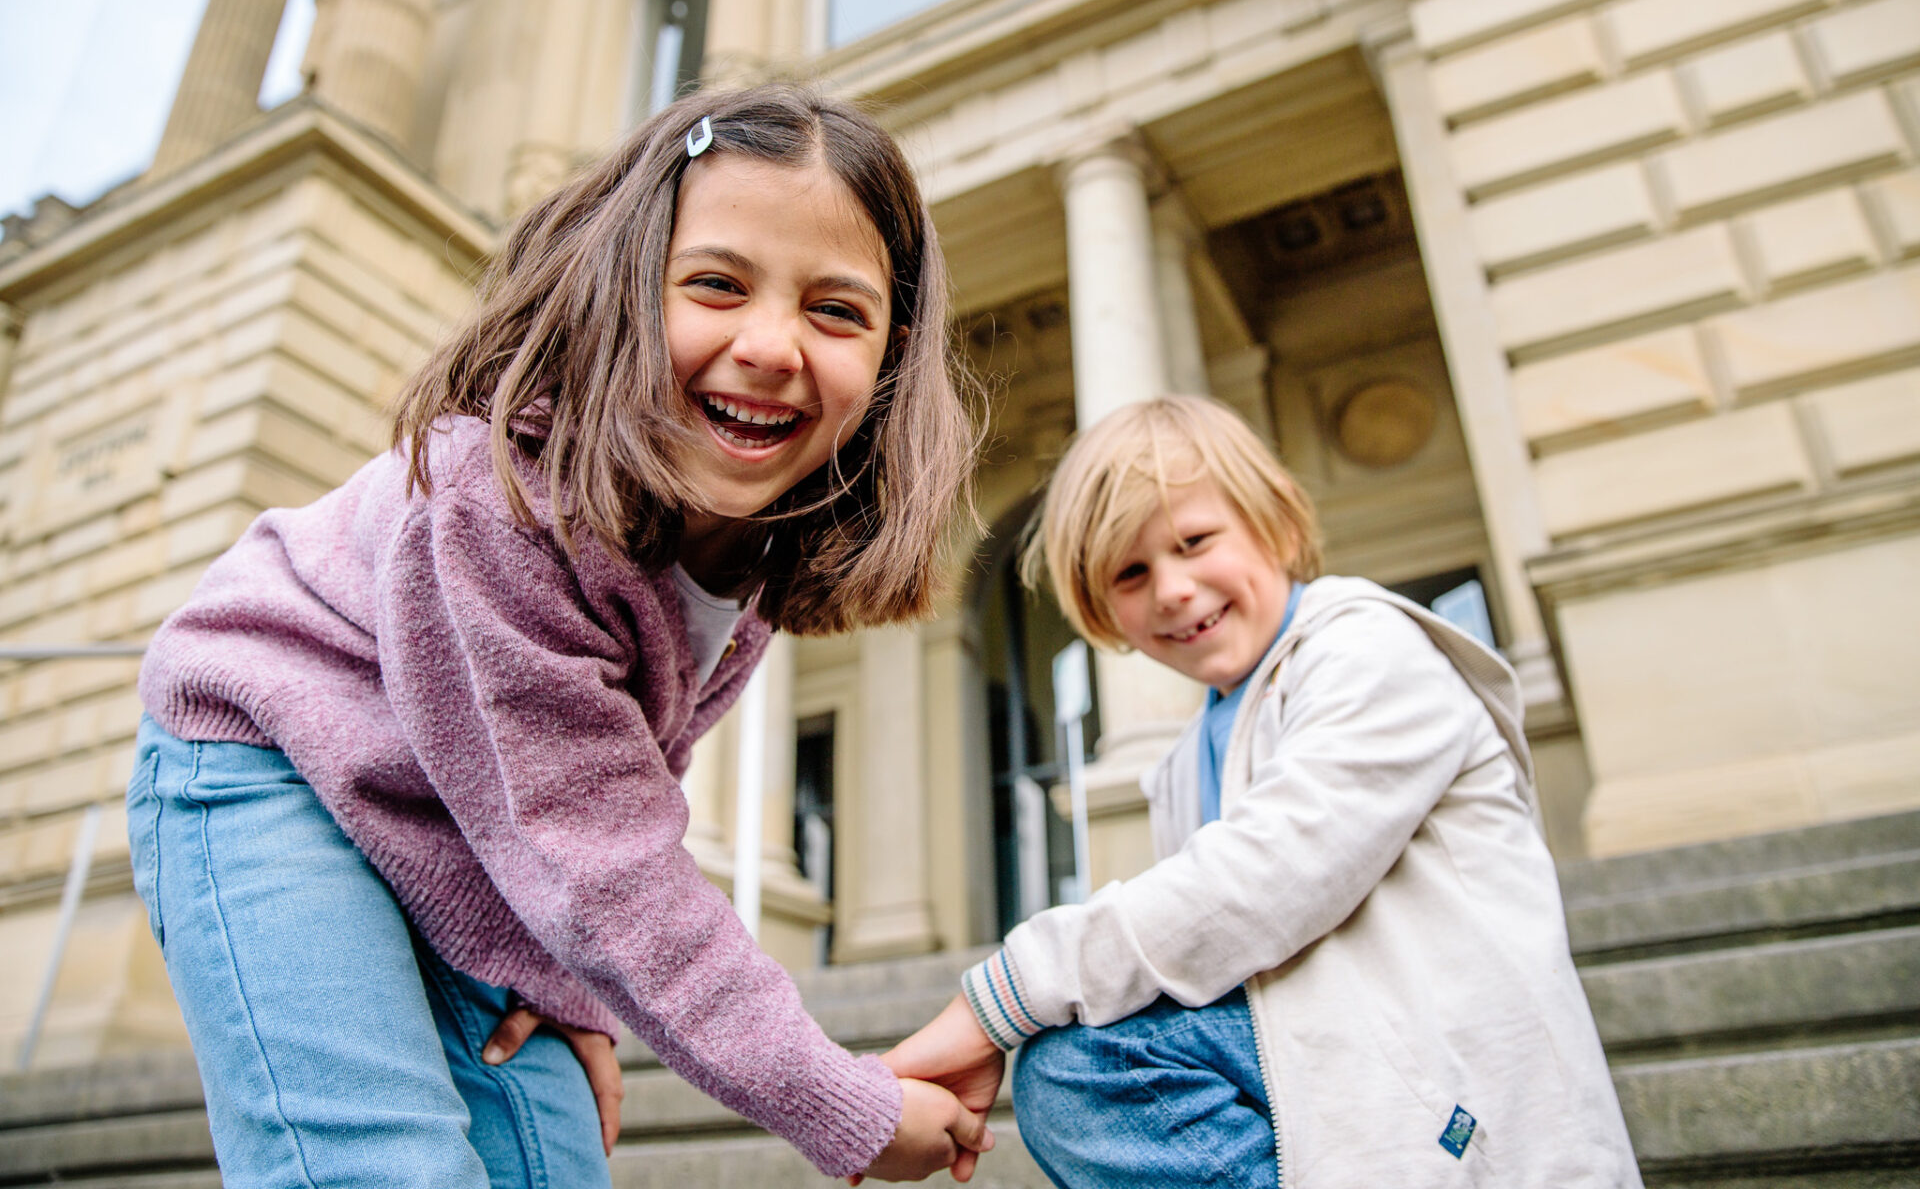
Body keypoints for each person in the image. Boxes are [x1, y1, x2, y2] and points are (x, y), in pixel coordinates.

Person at [129, 84, 991, 1188]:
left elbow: (619, 775)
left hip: (461, 819)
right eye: (717, 284)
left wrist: (575, 985)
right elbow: (603, 853)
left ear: (888, 357)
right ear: (627, 288)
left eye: (837, 311)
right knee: (379, 1163)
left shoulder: (759, 547)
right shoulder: (506, 503)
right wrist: (847, 1101)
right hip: (267, 762)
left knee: (553, 1153)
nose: (772, 345)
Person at [879, 396, 1641, 1187]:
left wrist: (1001, 1000)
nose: (1172, 589)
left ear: (1272, 525)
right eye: (1131, 573)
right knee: (1082, 1065)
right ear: (1102, 609)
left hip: (1466, 1109)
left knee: (1086, 1070)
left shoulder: (1368, 649)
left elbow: (1265, 880)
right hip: (1336, 1076)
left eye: (1195, 542)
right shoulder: (1184, 762)